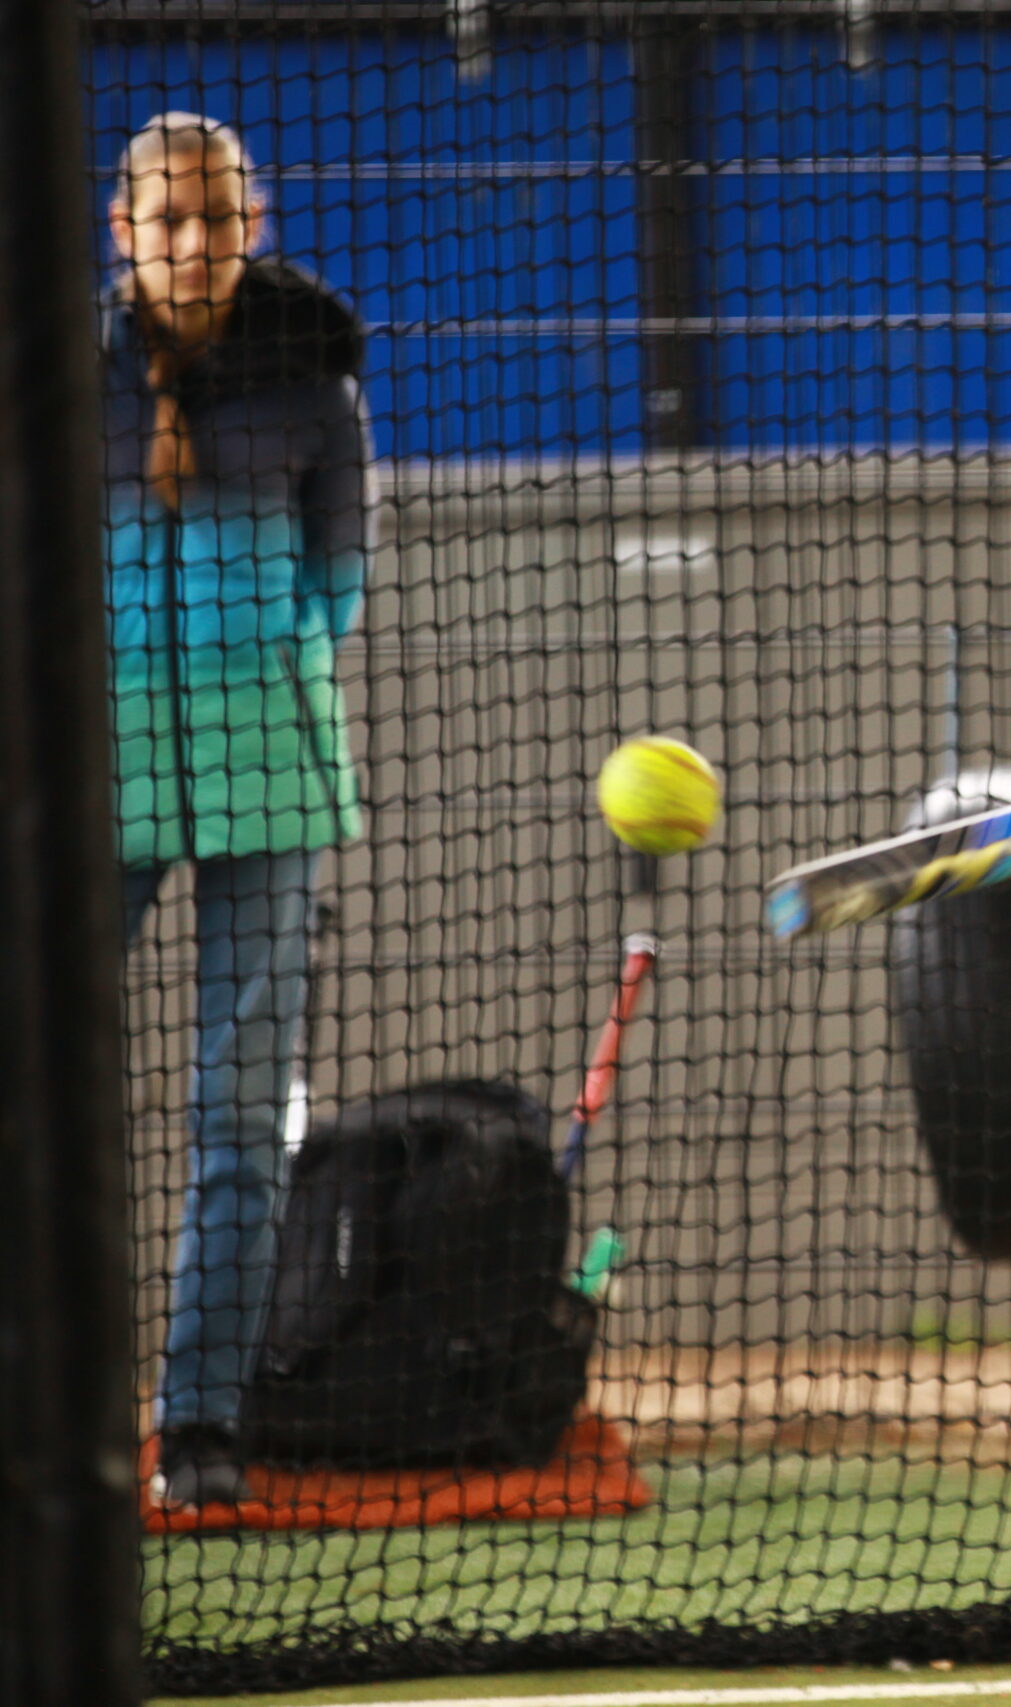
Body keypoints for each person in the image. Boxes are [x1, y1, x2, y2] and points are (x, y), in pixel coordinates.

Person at [103, 113, 373, 1507]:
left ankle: (200, 1425)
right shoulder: (61, 371)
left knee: (241, 1110)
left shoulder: (316, 375)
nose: (197, 243)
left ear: (252, 224)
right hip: (92, 780)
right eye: (170, 222)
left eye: (219, 219)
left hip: (273, 774)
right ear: (125, 233)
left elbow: (339, 578)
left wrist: (251, 674)